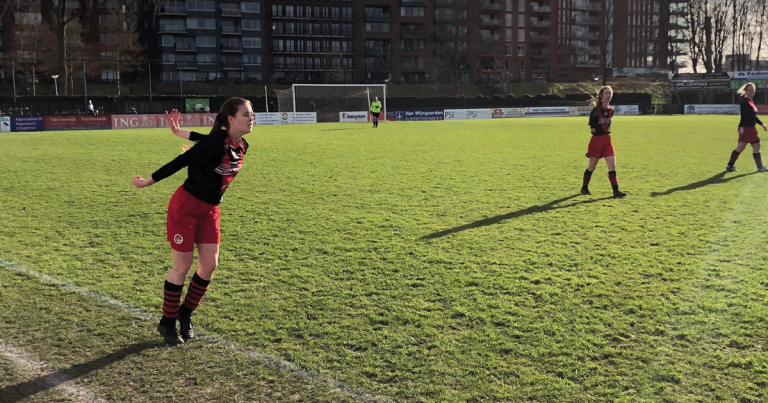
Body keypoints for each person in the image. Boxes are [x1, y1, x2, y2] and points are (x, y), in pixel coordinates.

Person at [131, 98, 254, 345]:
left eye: (252, 114)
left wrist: (179, 131)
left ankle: (184, 314)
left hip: (210, 211)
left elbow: (204, 138)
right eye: (246, 115)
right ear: (231, 119)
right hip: (185, 208)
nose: (251, 119)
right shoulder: (214, 145)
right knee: (183, 266)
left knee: (209, 265)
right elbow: (181, 161)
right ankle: (167, 322)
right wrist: (147, 182)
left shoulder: (241, 145)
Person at [581, 86, 627, 198]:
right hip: (597, 141)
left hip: (607, 140)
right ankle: (584, 187)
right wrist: (599, 128)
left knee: (612, 166)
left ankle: (615, 191)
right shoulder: (595, 111)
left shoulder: (611, 110)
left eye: (610, 93)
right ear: (601, 95)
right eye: (606, 93)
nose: (608, 95)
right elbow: (592, 130)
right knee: (592, 166)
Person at [725, 82, 768, 173]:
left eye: (753, 90)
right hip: (748, 128)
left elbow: (753, 116)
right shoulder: (745, 102)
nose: (751, 91)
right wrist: (742, 127)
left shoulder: (750, 101)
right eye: (749, 90)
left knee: (740, 147)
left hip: (747, 127)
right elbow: (743, 115)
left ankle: (730, 166)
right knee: (757, 146)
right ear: (745, 91)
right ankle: (760, 168)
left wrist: (762, 124)